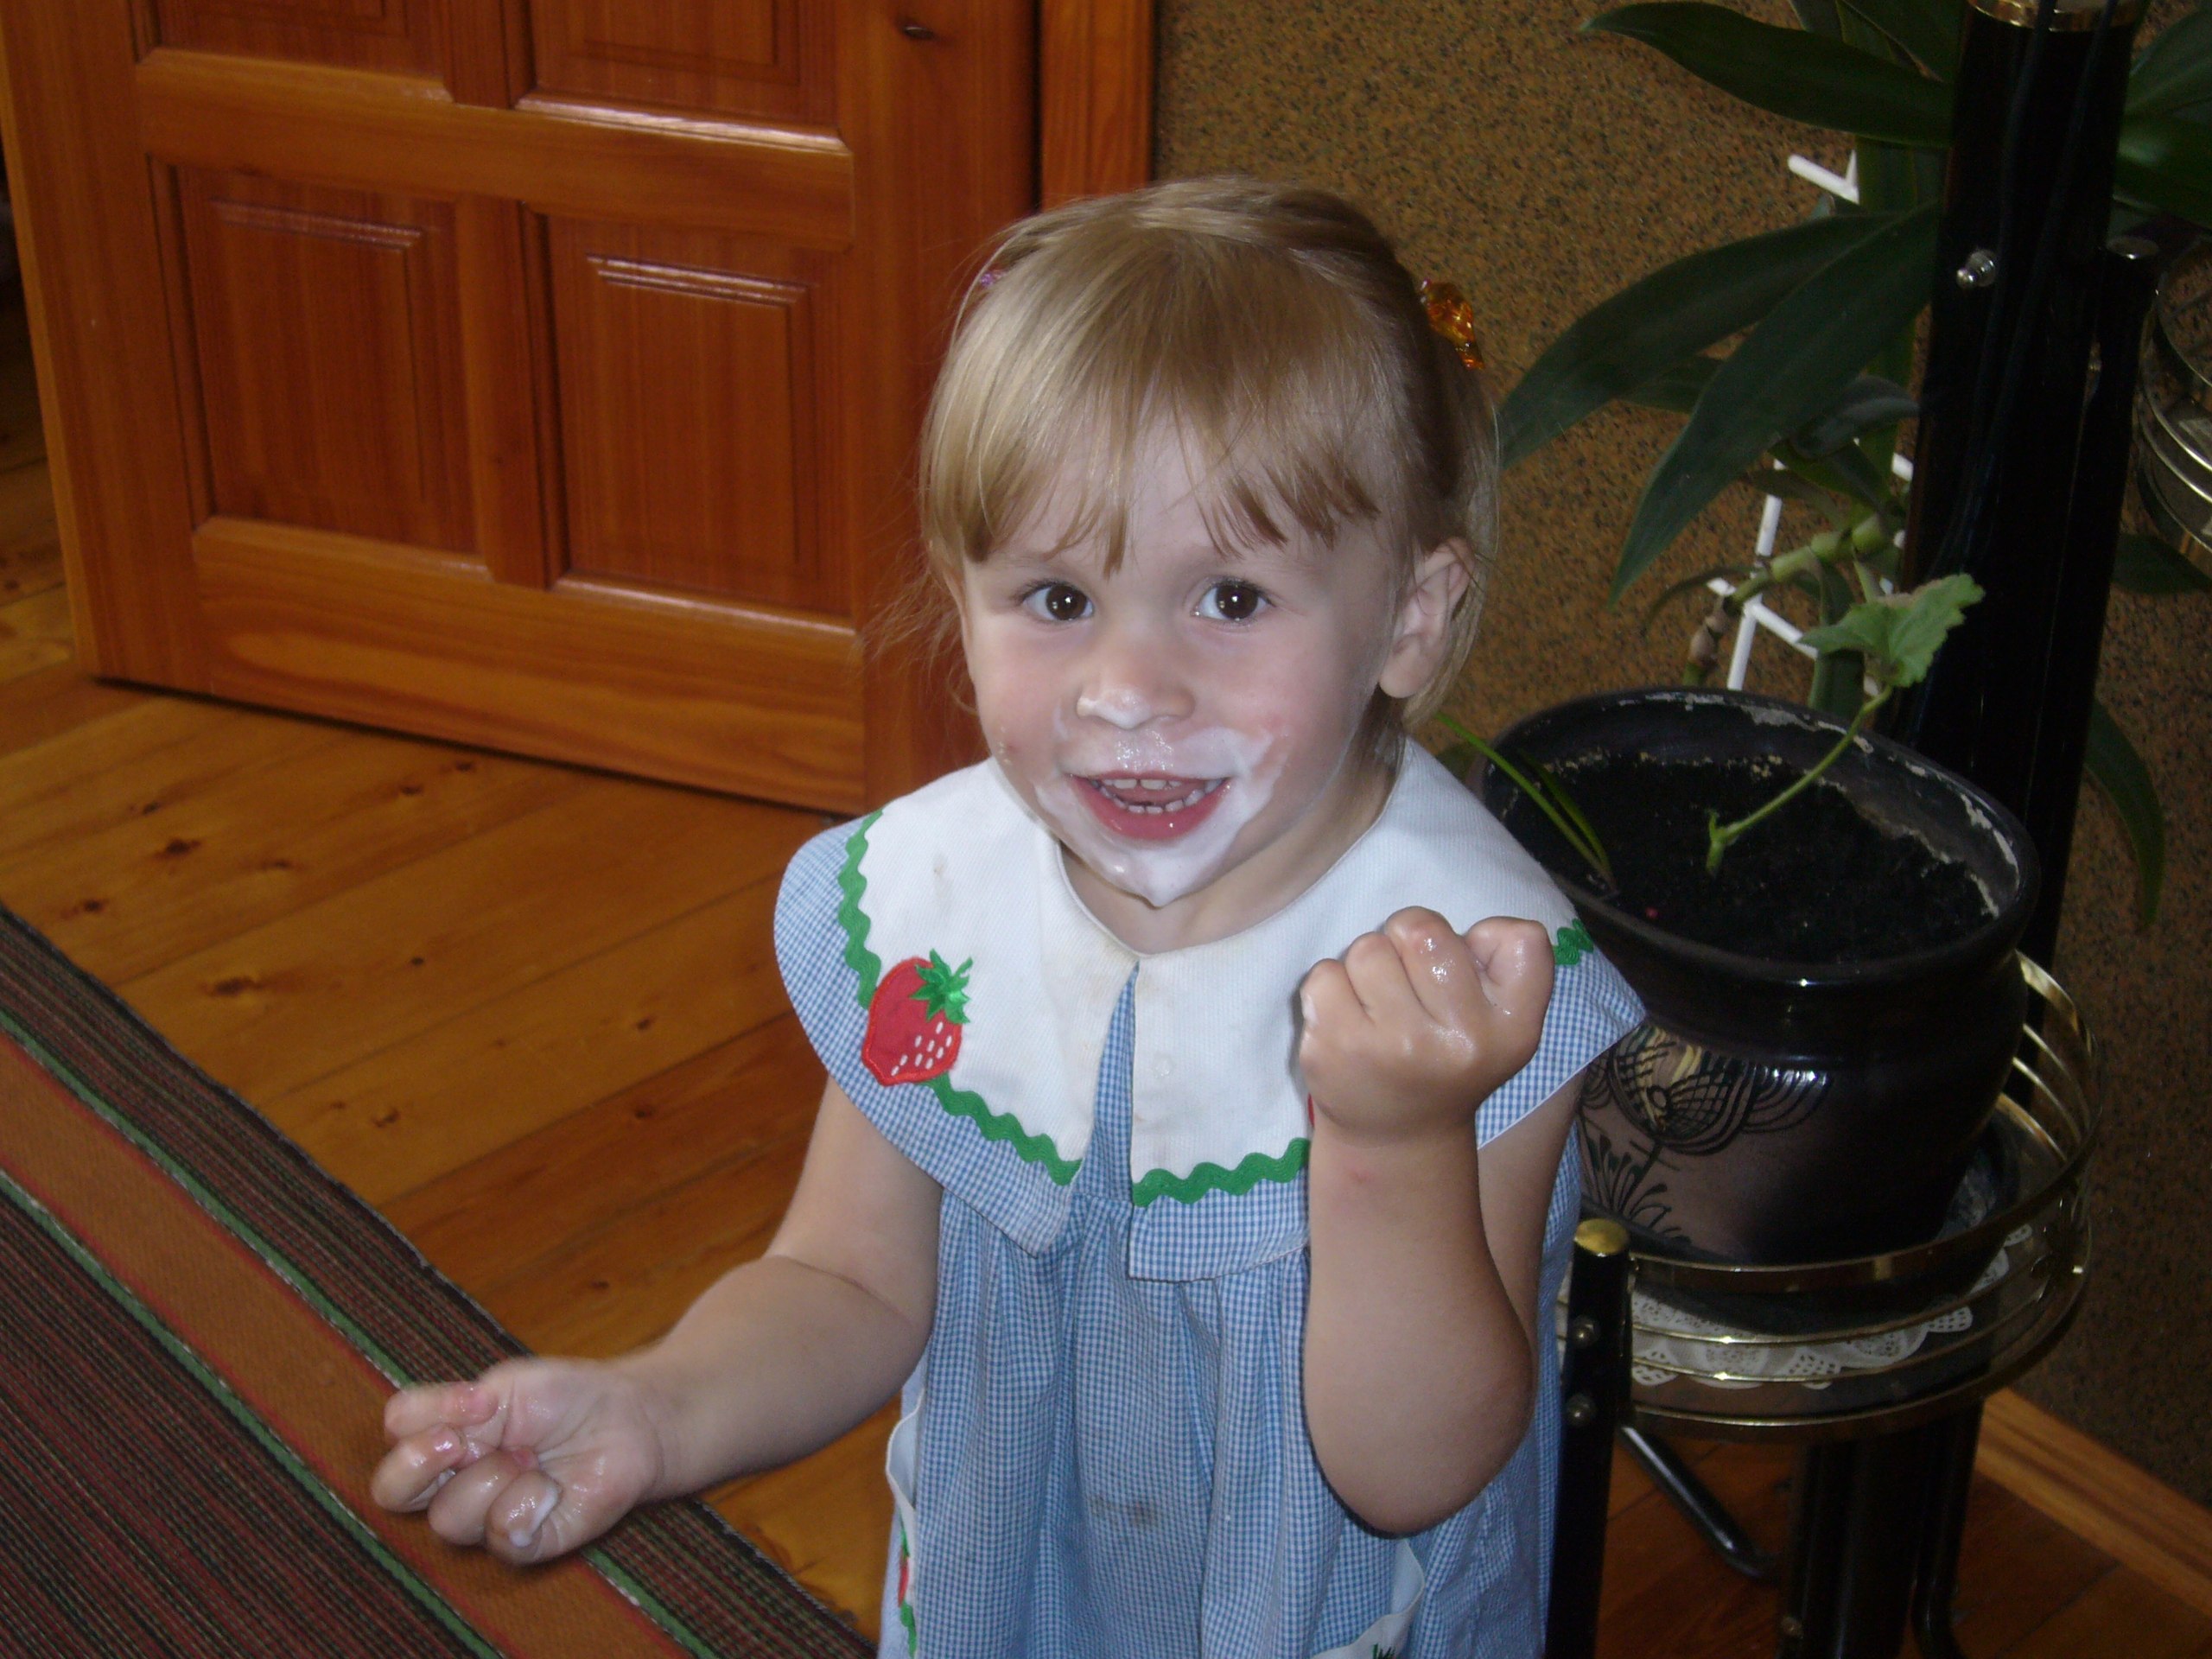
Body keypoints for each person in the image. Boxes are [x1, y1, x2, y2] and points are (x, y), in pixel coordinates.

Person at [372, 175, 1641, 1658]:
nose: (1129, 692)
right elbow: (846, 1280)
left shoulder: (1469, 986)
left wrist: (1396, 1144)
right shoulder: (940, 903)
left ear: (1409, 620)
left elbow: (1413, 1469)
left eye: (1232, 599)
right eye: (1056, 598)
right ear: (960, 599)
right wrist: (659, 1407)